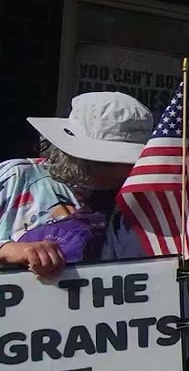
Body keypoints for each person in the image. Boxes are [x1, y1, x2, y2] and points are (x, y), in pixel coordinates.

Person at [0, 92, 153, 276]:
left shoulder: (144, 200)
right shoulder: (18, 177)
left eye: (130, 163)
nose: (121, 171)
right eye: (106, 162)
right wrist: (9, 251)